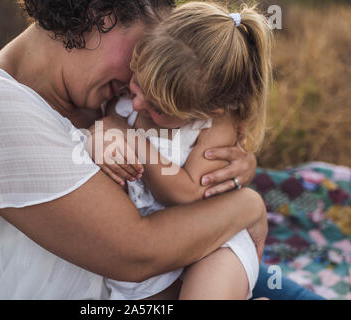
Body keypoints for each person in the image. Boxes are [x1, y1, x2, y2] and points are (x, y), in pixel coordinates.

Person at [0, 0, 320, 300]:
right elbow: (138, 251)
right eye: (141, 53)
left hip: (210, 269)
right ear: (99, 14)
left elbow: (198, 139)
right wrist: (247, 206)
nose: (140, 86)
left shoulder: (101, 93)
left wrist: (234, 163)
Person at [96, 1, 270, 300]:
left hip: (215, 242)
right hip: (158, 250)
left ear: (207, 110)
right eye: (138, 82)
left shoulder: (214, 126)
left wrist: (132, 138)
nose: (138, 105)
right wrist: (105, 125)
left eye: (158, 108)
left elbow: (188, 192)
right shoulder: (124, 102)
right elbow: (99, 126)